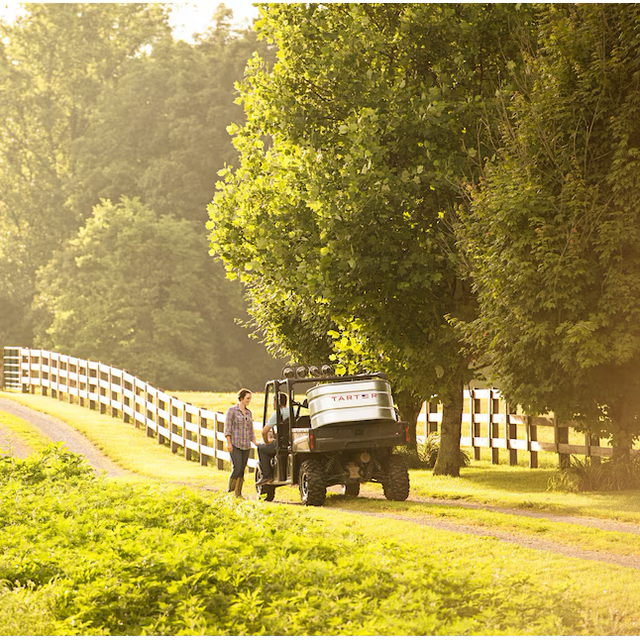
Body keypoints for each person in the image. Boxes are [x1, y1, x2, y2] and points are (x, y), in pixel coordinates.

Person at [224, 388, 257, 498]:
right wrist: (228, 443)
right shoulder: (232, 411)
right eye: (247, 398)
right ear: (241, 398)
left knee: (242, 468)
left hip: (246, 445)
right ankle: (230, 489)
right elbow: (227, 428)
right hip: (235, 443)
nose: (249, 400)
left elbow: (250, 429)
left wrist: (255, 442)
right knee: (237, 467)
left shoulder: (248, 413)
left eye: (250, 398)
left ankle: (238, 493)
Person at [257, 392, 288, 484]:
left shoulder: (277, 414)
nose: (272, 404)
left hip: (281, 443)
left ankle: (267, 476)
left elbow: (264, 432)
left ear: (277, 402)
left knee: (261, 448)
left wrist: (267, 442)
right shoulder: (293, 411)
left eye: (273, 401)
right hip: (291, 441)